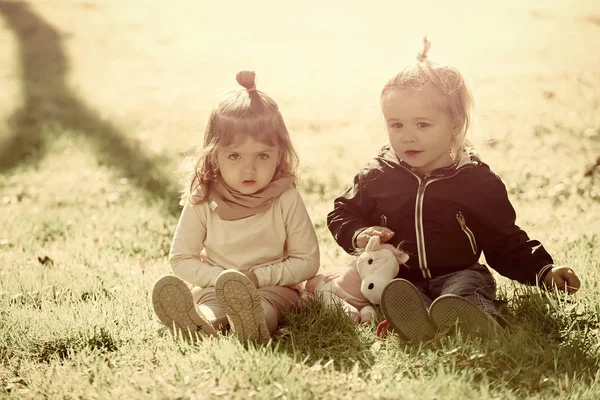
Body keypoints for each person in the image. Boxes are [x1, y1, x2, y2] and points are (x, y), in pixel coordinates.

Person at [326, 38, 581, 342]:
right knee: (401, 295)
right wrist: (359, 232)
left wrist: (545, 271)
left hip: (459, 272)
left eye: (422, 125)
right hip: (399, 276)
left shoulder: (475, 181)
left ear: (455, 123)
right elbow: (342, 212)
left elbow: (506, 240)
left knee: (464, 292)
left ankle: (476, 321)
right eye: (397, 125)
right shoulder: (378, 174)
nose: (408, 137)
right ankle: (413, 322)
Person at [152, 71, 320, 342]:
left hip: (273, 288)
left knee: (264, 308)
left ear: (280, 154)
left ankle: (252, 325)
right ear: (214, 155)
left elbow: (308, 260)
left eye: (263, 155)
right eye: (234, 156)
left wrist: (256, 278)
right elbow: (181, 258)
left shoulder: (285, 197)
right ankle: (200, 323)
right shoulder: (205, 198)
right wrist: (222, 280)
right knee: (210, 307)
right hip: (217, 287)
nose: (249, 168)